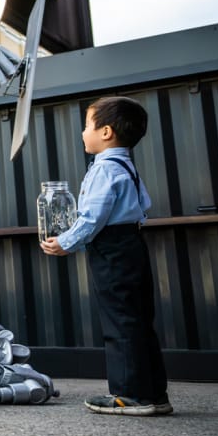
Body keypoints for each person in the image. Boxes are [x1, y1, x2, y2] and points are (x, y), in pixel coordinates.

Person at [41, 96, 172, 416]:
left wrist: (68, 242)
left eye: (87, 126)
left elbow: (92, 218)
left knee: (120, 322)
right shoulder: (127, 166)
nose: (83, 133)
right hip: (131, 245)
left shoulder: (105, 170)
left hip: (112, 250)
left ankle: (130, 395)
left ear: (106, 132)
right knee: (139, 321)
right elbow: (141, 208)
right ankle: (154, 394)